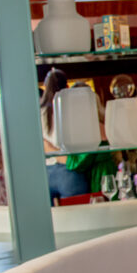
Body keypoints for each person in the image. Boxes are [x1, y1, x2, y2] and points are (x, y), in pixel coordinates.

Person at [40, 68, 90, 201]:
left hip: (43, 173)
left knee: (48, 220)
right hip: (69, 171)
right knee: (77, 217)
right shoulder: (73, 109)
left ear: (45, 87)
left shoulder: (38, 112)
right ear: (67, 86)